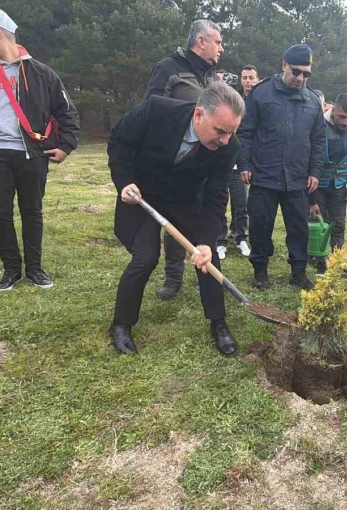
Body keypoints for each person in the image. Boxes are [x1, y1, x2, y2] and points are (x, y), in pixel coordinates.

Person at [108, 82, 244, 357]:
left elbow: (216, 196)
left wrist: (206, 241)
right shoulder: (156, 111)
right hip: (142, 195)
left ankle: (218, 322)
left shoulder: (228, 147)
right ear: (198, 115)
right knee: (145, 258)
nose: (225, 140)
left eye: (231, 133)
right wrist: (125, 182)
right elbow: (119, 141)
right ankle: (121, 324)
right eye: (220, 131)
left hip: (185, 200)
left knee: (206, 257)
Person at [0, 8, 81, 292]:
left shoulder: (41, 72)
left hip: (31, 154)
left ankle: (35, 269)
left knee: (32, 211)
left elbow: (66, 112)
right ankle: (11, 270)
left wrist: (66, 147)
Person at [145, 20, 223, 300]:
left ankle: (209, 273)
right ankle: (172, 276)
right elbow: (151, 110)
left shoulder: (213, 77)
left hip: (204, 159)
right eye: (217, 41)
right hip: (174, 159)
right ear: (201, 41)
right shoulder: (168, 68)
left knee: (204, 214)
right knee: (172, 219)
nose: (221, 48)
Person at [238, 44, 324, 290]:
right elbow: (246, 132)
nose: (301, 78)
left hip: (298, 178)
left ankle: (298, 272)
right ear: (284, 64)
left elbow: (318, 140)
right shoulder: (260, 93)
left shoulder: (313, 101)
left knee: (298, 228)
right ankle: (260, 270)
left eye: (306, 74)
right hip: (265, 175)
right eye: (296, 72)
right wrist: (244, 163)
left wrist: (315, 172)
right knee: (260, 225)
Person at [309, 93, 347, 279]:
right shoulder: (319, 125)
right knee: (320, 223)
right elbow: (310, 157)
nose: (345, 121)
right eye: (341, 116)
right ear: (333, 110)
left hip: (340, 185)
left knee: (338, 224)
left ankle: (337, 263)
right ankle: (320, 263)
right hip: (318, 184)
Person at [215, 66, 257, 261]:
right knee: (220, 203)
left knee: (241, 204)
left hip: (241, 163)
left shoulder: (257, 101)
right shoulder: (232, 99)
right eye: (244, 78)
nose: (247, 81)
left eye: (251, 78)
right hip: (221, 161)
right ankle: (220, 240)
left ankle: (241, 237)